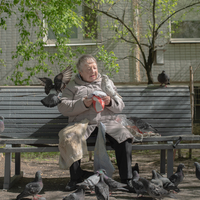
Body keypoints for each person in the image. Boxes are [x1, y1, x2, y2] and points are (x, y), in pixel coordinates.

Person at [57, 54, 134, 192]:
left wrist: (109, 101)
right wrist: (83, 103)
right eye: (88, 69)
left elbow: (120, 105)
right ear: (80, 72)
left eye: (94, 67)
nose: (93, 71)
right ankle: (75, 179)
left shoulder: (106, 82)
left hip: (107, 122)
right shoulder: (72, 85)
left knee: (125, 137)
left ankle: (126, 179)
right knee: (70, 138)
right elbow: (63, 107)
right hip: (82, 123)